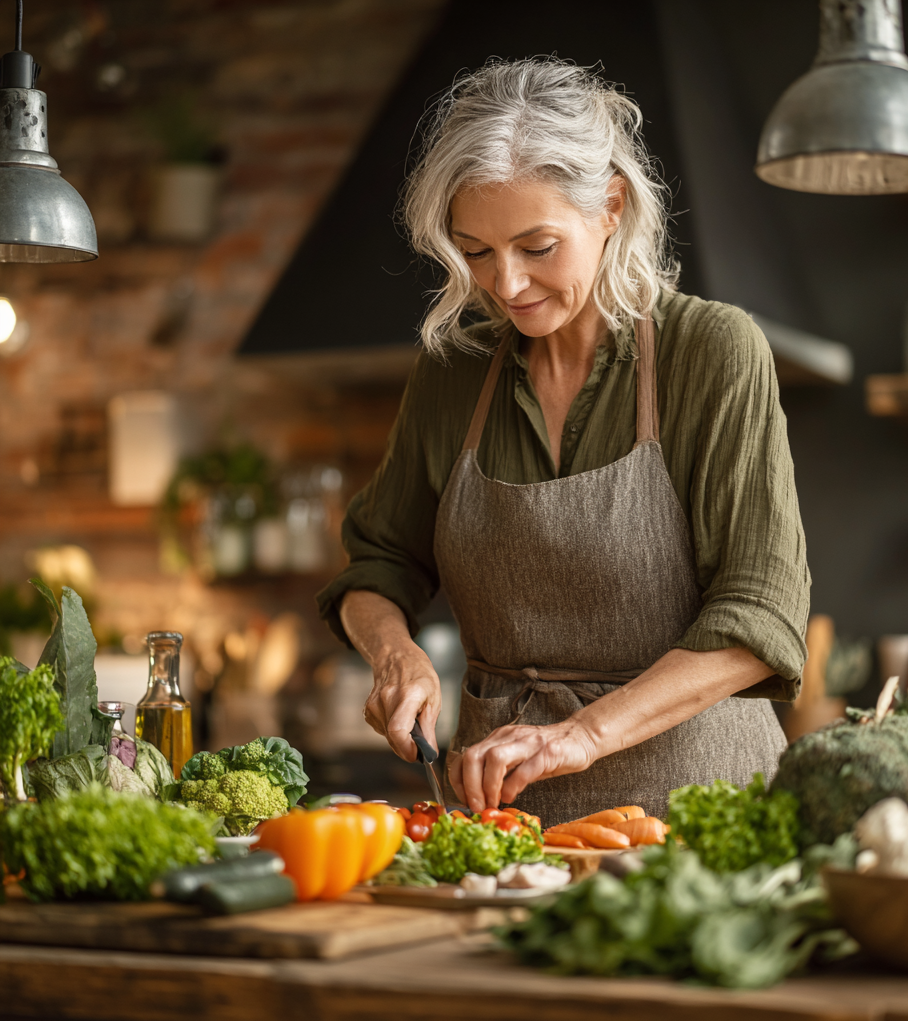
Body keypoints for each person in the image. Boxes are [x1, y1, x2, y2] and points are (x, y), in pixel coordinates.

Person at [317, 58, 809, 823]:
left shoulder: (711, 351)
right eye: (475, 251)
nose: (505, 284)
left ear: (610, 206)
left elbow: (762, 616)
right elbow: (378, 564)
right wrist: (396, 655)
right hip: (504, 826)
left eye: (536, 246)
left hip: (702, 819)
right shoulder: (455, 372)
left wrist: (579, 735)